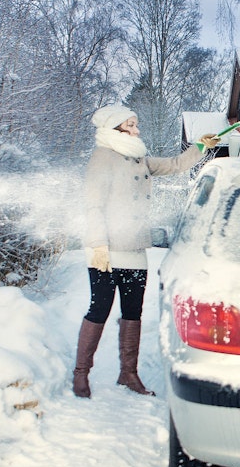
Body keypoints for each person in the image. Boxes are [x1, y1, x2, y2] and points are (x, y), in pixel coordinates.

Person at [73, 104, 219, 398]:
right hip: (106, 249)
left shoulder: (138, 158)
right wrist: (98, 244)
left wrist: (200, 146)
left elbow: (175, 164)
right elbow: (93, 205)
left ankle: (128, 373)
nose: (137, 130)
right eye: (131, 125)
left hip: (134, 247)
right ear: (115, 128)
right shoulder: (103, 158)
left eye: (136, 124)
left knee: (133, 311)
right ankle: (81, 374)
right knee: (99, 308)